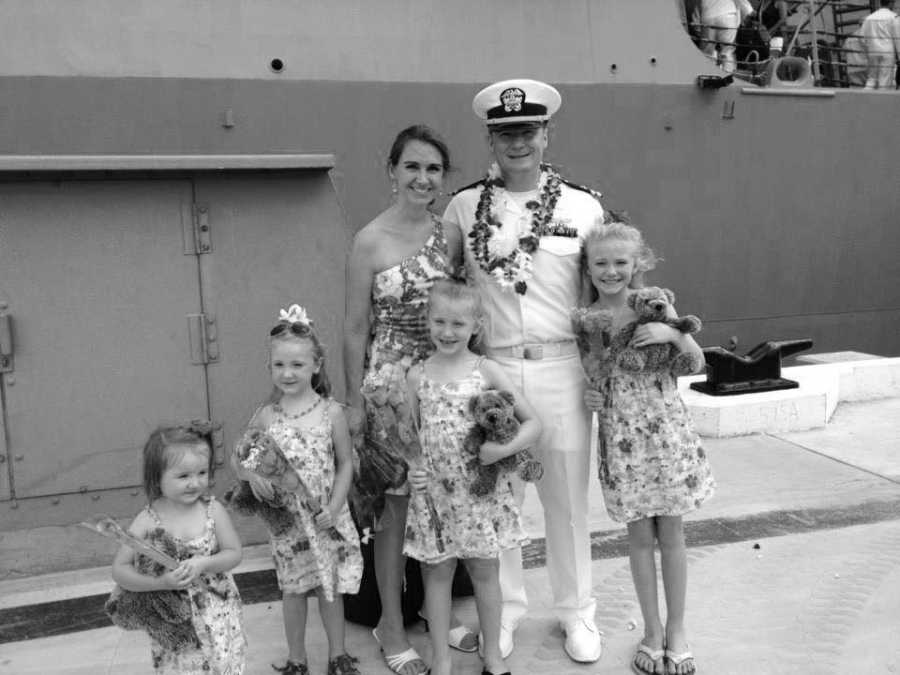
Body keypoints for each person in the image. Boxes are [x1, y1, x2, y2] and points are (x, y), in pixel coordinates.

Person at [442, 78, 605, 663]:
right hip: (495, 372)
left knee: (566, 501)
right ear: (491, 137)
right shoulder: (463, 207)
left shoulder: (583, 205)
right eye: (506, 133)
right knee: (498, 499)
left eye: (527, 131)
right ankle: (505, 612)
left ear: (546, 134)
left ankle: (576, 614)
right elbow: (445, 288)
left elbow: (603, 291)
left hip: (562, 366)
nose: (518, 142)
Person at [343, 125, 474, 675]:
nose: (423, 178)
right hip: (390, 391)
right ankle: (390, 626)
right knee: (394, 512)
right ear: (391, 169)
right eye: (413, 167)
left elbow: (464, 308)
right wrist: (354, 404)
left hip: (444, 382)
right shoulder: (368, 241)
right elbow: (353, 328)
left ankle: (432, 606)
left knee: (441, 497)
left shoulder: (451, 236)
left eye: (434, 169)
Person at [576, 222, 715, 675]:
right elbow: (593, 376)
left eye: (621, 262)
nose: (611, 271)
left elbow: (695, 362)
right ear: (589, 267)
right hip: (621, 438)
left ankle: (677, 630)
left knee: (671, 533)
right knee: (639, 538)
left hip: (666, 434)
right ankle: (651, 631)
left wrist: (672, 333)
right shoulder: (588, 320)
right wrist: (590, 396)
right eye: (601, 263)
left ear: (638, 264)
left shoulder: (656, 305)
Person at [405, 279, 542, 675]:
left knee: (485, 573)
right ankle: (442, 662)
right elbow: (409, 436)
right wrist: (413, 469)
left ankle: (493, 657)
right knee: (436, 574)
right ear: (427, 322)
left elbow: (533, 424)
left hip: (481, 497)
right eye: (439, 322)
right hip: (434, 498)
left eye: (458, 324)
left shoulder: (487, 371)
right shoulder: (417, 376)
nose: (448, 332)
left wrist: (499, 451)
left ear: (476, 325)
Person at [233, 304, 363, 675]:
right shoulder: (267, 416)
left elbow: (346, 463)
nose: (287, 373)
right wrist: (252, 475)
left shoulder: (331, 413)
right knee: (292, 590)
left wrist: (336, 506)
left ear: (316, 365)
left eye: (297, 365)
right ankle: (297, 658)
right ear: (270, 366)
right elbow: (240, 458)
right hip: (289, 524)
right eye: (279, 365)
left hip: (325, 518)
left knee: (329, 588)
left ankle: (338, 655)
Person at [111, 422, 246, 674]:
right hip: (175, 624)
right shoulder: (148, 519)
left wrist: (203, 563)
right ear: (156, 477)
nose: (194, 483)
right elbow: (120, 569)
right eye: (183, 476)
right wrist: (160, 583)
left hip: (219, 618)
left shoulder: (212, 510)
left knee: (223, 667)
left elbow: (234, 553)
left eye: (202, 473)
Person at [692, 0, 754, 73]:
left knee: (707, 54)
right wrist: (750, 11)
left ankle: (707, 77)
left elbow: (695, 19)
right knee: (727, 53)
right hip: (727, 17)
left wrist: (700, 34)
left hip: (708, 18)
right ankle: (728, 76)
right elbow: (745, 6)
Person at [860, 0, 900, 89]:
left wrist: (868, 49)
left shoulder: (869, 18)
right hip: (887, 52)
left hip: (872, 51)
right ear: (891, 3)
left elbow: (862, 38)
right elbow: (898, 38)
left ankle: (866, 99)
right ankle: (882, 101)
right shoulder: (894, 17)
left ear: (880, 3)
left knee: (871, 79)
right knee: (884, 80)